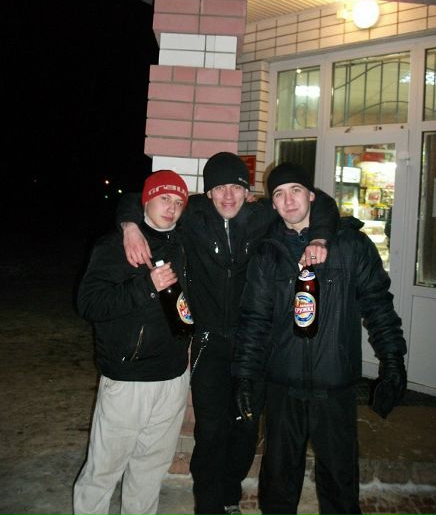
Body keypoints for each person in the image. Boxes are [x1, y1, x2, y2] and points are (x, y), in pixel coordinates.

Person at [116, 152, 340, 515]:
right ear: (208, 192)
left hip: (253, 343)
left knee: (246, 428)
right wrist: (129, 226)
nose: (228, 196)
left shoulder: (262, 216)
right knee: (211, 430)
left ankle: (229, 497)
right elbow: (134, 199)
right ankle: (207, 504)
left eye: (236, 187)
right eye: (219, 188)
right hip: (209, 344)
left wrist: (322, 239)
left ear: (247, 191)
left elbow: (323, 203)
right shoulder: (193, 216)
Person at [232, 162, 407, 515]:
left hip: (335, 386)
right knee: (278, 486)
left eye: (295, 190)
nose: (288, 200)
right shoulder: (268, 253)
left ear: (312, 195)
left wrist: (392, 361)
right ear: (273, 203)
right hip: (283, 387)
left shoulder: (351, 245)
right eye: (279, 194)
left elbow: (378, 305)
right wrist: (245, 376)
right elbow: (254, 320)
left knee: (340, 486)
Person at [74, 170, 192, 515]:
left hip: (173, 376)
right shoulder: (115, 245)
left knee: (150, 469)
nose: (171, 207)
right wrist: (146, 286)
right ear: (147, 201)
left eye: (178, 202)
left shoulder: (184, 243)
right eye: (164, 198)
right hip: (128, 379)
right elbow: (89, 304)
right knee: (103, 470)